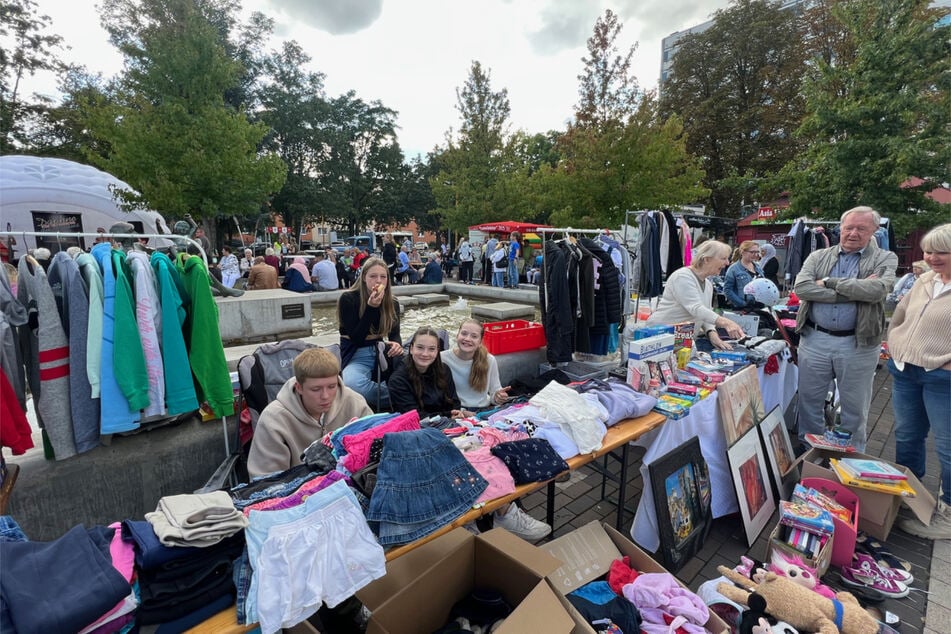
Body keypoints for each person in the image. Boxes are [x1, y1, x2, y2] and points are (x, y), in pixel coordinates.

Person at [793, 206, 897, 452]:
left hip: (858, 344)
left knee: (853, 409)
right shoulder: (818, 256)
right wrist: (854, 293)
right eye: (848, 227)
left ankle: (850, 462)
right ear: (840, 228)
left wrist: (830, 282)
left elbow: (879, 290)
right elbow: (802, 289)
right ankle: (810, 458)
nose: (853, 233)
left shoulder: (885, 258)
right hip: (815, 339)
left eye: (861, 228)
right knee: (809, 404)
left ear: (874, 230)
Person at [438, 319, 552, 540]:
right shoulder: (443, 360)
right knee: (472, 456)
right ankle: (493, 514)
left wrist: (499, 398)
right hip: (456, 415)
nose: (467, 339)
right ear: (457, 333)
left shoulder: (488, 360)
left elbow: (494, 395)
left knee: (504, 452)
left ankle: (506, 512)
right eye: (464, 333)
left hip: (483, 414)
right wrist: (459, 412)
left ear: (481, 340)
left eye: (473, 336)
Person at [886, 224, 951, 539]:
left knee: (947, 445)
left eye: (941, 251)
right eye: (928, 250)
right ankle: (908, 496)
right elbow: (900, 314)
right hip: (906, 370)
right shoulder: (925, 280)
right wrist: (894, 343)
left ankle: (949, 515)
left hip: (942, 377)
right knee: (907, 436)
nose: (932, 257)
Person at [247, 348, 372, 478]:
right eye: (316, 389)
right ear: (299, 388)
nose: (325, 396)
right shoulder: (273, 419)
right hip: (296, 492)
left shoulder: (355, 402)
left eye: (332, 386)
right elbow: (265, 479)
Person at [645, 240, 745, 350]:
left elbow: (706, 312)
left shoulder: (707, 284)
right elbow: (696, 308)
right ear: (707, 259)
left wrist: (712, 333)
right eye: (723, 258)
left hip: (682, 339)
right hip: (661, 336)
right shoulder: (682, 276)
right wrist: (726, 323)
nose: (727, 263)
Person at [337, 257, 403, 406]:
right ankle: (399, 395)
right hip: (357, 353)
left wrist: (397, 345)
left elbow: (394, 334)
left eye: (383, 276)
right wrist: (371, 307)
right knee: (352, 384)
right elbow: (357, 338)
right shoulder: (348, 299)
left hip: (383, 351)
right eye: (373, 276)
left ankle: (400, 392)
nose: (378, 281)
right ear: (364, 278)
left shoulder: (392, 302)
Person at [388, 327, 463, 417]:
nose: (425, 354)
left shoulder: (444, 370)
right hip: (414, 427)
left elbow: (454, 403)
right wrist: (447, 415)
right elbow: (413, 416)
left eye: (431, 349)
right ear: (411, 349)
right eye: (420, 347)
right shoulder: (398, 380)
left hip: (446, 422)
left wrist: (455, 413)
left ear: (437, 351)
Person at [723, 241, 764, 310]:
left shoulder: (757, 266)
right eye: (752, 252)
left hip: (758, 306)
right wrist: (742, 303)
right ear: (742, 252)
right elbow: (727, 290)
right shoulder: (733, 269)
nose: (755, 254)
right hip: (741, 308)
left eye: (757, 252)